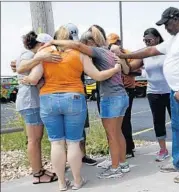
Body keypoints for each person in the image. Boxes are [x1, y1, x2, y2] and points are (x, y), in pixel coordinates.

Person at [21, 26, 122, 190]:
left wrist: (25, 77)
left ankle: (61, 183)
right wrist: (115, 69)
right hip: (74, 98)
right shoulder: (80, 54)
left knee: (56, 143)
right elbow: (97, 75)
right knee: (74, 143)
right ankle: (77, 181)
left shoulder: (45, 53)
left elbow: (33, 79)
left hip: (48, 99)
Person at [112, 7, 179, 183]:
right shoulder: (175, 39)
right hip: (175, 90)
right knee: (178, 128)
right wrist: (126, 55)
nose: (166, 28)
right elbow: (150, 51)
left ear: (176, 19)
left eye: (167, 24)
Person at [41, 24, 131, 179]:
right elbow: (126, 70)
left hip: (110, 98)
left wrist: (55, 42)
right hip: (121, 96)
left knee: (112, 136)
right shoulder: (109, 52)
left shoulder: (97, 52)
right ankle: (122, 164)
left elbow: (77, 46)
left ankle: (115, 168)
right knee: (118, 133)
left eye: (84, 47)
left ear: (89, 44)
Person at [110, 28, 171, 162]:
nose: (147, 43)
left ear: (157, 39)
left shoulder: (166, 51)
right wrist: (120, 56)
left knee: (177, 121)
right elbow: (128, 69)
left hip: (169, 91)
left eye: (149, 40)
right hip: (153, 92)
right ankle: (163, 149)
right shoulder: (145, 55)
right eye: (145, 40)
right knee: (158, 121)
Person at [15, 31, 61, 184]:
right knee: (34, 139)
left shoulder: (28, 54)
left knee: (36, 138)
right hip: (30, 101)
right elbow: (21, 69)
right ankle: (38, 174)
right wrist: (41, 57)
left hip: (31, 101)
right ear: (42, 45)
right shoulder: (29, 55)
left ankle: (40, 170)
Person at [64, 23, 98, 166]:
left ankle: (82, 155)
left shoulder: (79, 53)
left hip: (79, 93)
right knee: (64, 130)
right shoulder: (56, 51)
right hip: (63, 94)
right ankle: (67, 159)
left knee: (81, 127)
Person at [107, 33, 140, 159]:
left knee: (125, 119)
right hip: (114, 90)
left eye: (115, 43)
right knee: (115, 121)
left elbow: (137, 70)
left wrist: (123, 67)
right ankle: (121, 147)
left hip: (127, 89)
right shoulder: (107, 54)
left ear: (119, 42)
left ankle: (128, 148)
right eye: (110, 43)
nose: (112, 45)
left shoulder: (128, 53)